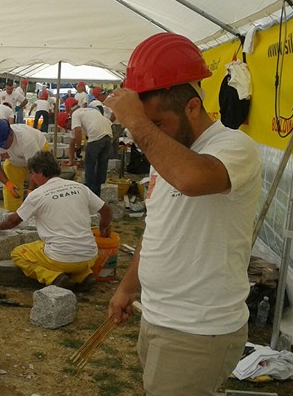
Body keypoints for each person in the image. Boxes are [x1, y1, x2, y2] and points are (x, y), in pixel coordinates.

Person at [105, 33, 262, 396]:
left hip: (198, 328)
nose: (150, 138)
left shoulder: (234, 146)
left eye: (158, 124)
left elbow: (193, 179)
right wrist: (128, 287)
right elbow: (159, 228)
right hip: (161, 316)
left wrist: (140, 126)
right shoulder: (172, 149)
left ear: (193, 107)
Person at [0, 150, 112, 290]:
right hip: (90, 257)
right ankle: (84, 276)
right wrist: (103, 227)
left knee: (19, 253)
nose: (31, 177)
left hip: (59, 259)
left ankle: (54, 277)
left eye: (32, 173)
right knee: (71, 257)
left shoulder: (37, 194)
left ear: (41, 172)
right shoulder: (80, 188)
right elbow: (107, 210)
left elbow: (13, 221)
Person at [0, 119, 47, 211]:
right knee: (10, 186)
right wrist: (7, 183)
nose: (3, 147)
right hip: (16, 160)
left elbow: (35, 169)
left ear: (11, 134)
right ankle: (12, 213)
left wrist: (30, 190)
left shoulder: (26, 140)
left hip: (39, 152)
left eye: (4, 143)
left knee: (44, 184)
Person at [57, 107, 113, 197]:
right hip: (108, 133)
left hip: (96, 135)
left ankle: (91, 191)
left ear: (68, 120)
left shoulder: (75, 114)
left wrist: (78, 148)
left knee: (89, 164)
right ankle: (99, 189)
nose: (69, 129)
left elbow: (78, 132)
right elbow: (72, 142)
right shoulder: (88, 111)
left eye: (67, 127)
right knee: (102, 164)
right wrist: (71, 160)